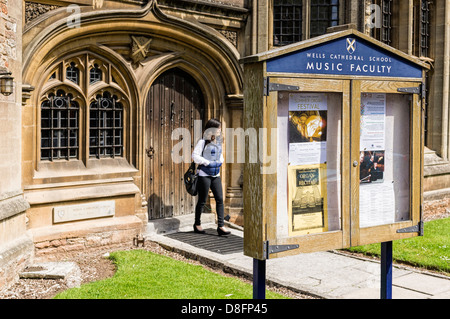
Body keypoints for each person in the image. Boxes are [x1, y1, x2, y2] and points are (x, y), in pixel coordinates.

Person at [191, 119, 230, 236]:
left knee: (219, 199)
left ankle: (221, 226)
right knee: (202, 201)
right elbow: (195, 156)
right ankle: (197, 224)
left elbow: (221, 155)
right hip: (204, 175)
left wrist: (220, 161)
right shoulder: (203, 142)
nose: (220, 130)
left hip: (216, 175)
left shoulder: (218, 141)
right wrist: (208, 163)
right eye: (218, 128)